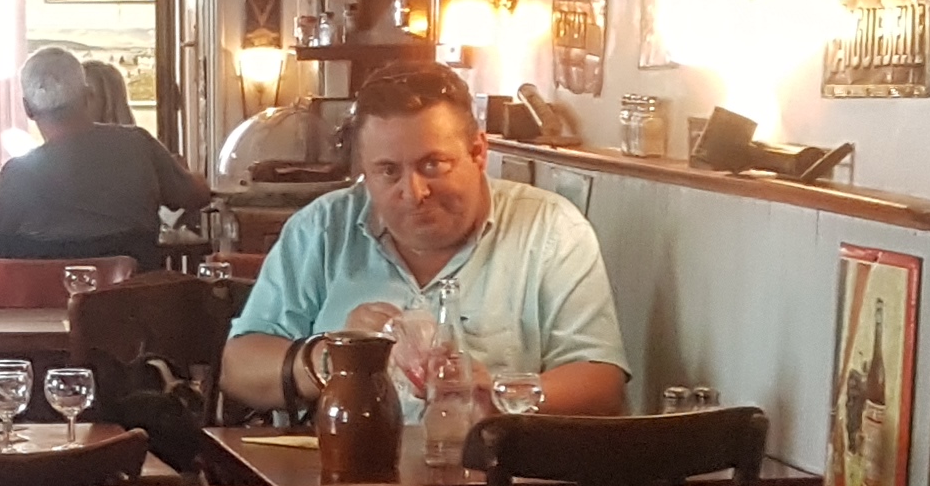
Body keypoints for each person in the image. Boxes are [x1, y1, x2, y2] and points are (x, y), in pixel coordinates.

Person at [218, 62, 627, 418]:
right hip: (338, 474)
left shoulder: (551, 229)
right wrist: (335, 359)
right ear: (364, 171)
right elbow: (238, 369)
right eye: (388, 171)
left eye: (433, 164)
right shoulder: (321, 229)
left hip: (490, 475)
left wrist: (499, 396)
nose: (413, 193)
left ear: (478, 152)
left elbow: (601, 382)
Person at [0, 45, 208, 267]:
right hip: (136, 290)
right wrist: (190, 175)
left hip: (48, 294)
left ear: (27, 108)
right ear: (87, 95)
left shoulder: (17, 174)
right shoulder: (139, 145)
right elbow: (197, 196)